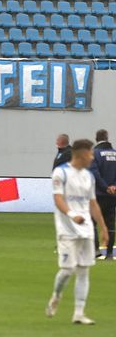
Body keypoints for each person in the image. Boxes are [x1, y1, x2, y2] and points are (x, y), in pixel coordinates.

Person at [48, 138, 108, 325]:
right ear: (82, 154)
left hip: (86, 229)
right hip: (67, 229)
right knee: (68, 270)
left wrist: (103, 227)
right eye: (90, 153)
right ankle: (56, 295)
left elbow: (92, 203)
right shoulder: (61, 172)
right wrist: (72, 215)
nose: (92, 157)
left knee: (84, 271)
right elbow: (58, 199)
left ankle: (79, 313)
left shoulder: (88, 176)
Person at [90, 129, 116, 261]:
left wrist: (105, 188)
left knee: (92, 222)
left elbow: (95, 174)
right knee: (110, 224)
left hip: (99, 195)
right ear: (107, 138)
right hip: (113, 195)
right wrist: (113, 187)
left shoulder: (95, 153)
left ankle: (95, 251)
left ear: (96, 138)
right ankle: (110, 253)